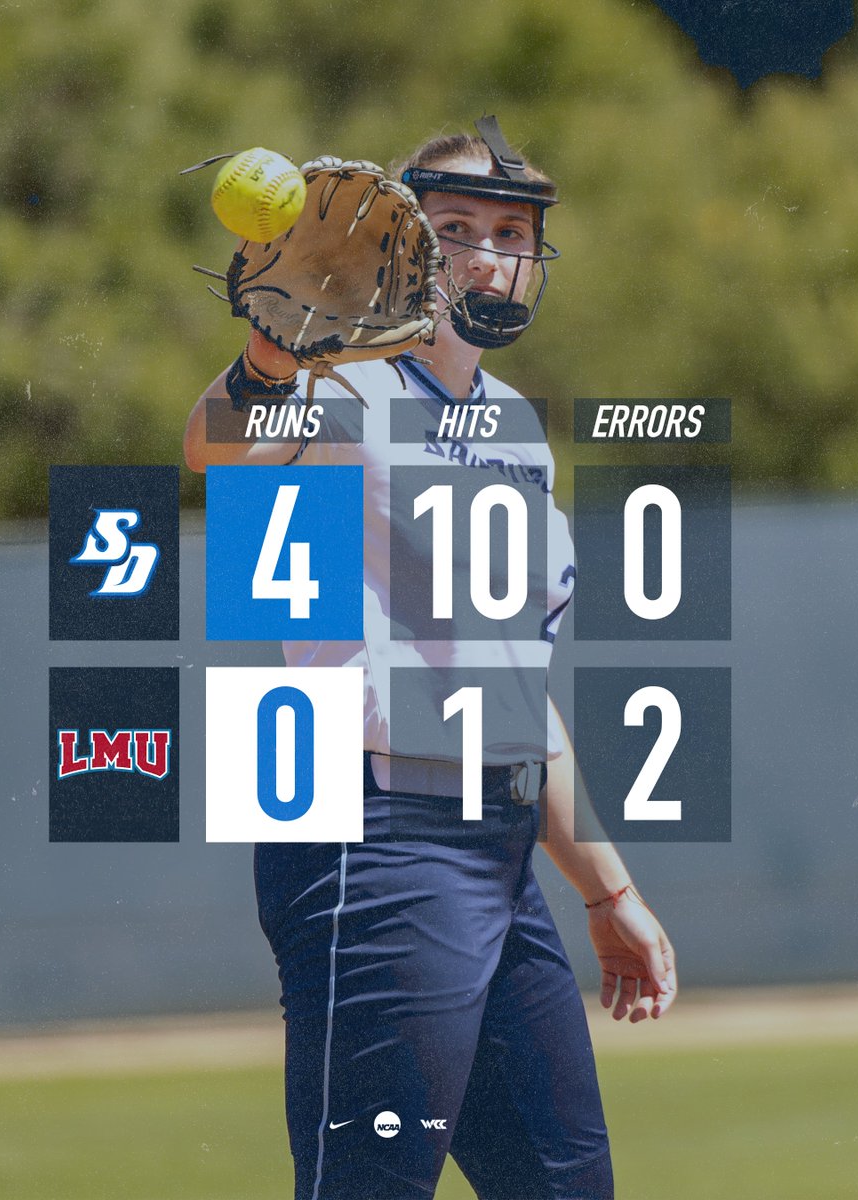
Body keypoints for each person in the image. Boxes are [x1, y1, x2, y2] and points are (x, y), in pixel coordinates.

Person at [185, 117, 677, 1200]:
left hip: (496, 845)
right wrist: (274, 352)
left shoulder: (514, 425)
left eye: (511, 230)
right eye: (454, 226)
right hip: (369, 826)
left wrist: (605, 890)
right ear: (396, 239)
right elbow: (223, 454)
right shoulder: (339, 386)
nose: (488, 253)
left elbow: (518, 689)